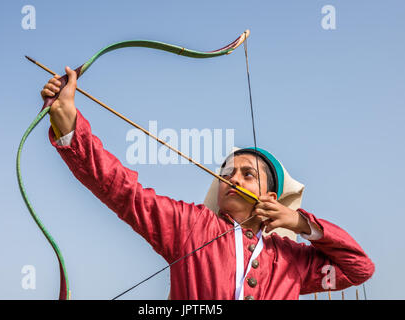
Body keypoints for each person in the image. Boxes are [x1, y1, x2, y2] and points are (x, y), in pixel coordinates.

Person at [41, 67, 375, 300]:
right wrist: (69, 124)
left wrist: (300, 223)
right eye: (227, 172)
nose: (231, 178)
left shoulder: (292, 260)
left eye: (247, 174)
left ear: (270, 198)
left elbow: (359, 268)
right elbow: (122, 191)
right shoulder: (191, 226)